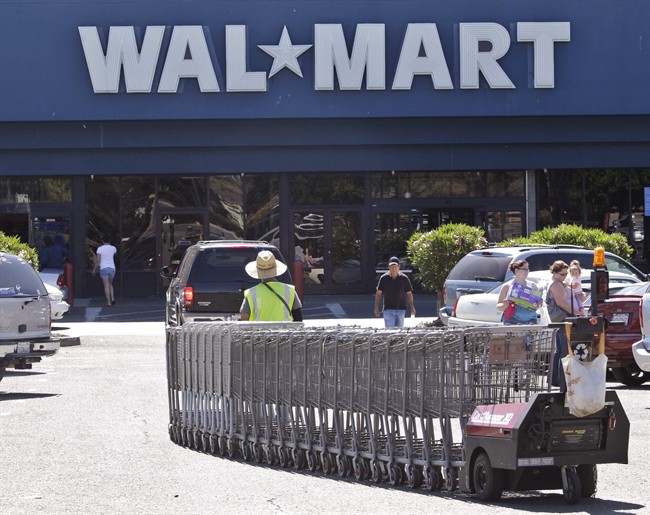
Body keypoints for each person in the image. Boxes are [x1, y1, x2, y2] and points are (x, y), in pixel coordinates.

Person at [547, 260, 582, 390]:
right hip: (561, 318)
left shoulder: (559, 282)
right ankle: (560, 379)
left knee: (560, 350)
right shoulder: (556, 284)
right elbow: (561, 302)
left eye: (566, 274)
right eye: (562, 274)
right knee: (564, 351)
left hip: (559, 319)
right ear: (555, 273)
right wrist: (577, 313)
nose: (565, 276)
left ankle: (555, 379)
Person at [240, 250, 303, 321]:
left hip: (259, 331)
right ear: (275, 269)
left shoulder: (251, 293)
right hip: (285, 331)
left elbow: (244, 318)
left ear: (257, 271)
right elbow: (298, 318)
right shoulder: (289, 290)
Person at [374, 256, 416, 328]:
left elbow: (409, 293)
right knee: (390, 331)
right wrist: (376, 307)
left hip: (401, 309)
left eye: (395, 267)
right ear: (389, 267)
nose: (393, 269)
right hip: (388, 309)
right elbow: (378, 293)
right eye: (391, 267)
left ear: (399, 267)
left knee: (399, 332)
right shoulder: (384, 278)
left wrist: (412, 306)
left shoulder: (404, 278)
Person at [496, 260, 539, 325]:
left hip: (530, 320)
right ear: (516, 270)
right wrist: (504, 305)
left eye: (528, 269)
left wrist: (539, 302)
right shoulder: (507, 286)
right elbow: (498, 306)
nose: (527, 272)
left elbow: (536, 304)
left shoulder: (533, 286)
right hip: (512, 320)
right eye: (524, 269)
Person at [93, 238, 117, 307]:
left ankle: (108, 302)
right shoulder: (113, 248)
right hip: (112, 268)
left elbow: (98, 260)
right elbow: (115, 254)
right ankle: (112, 298)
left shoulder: (100, 249)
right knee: (110, 284)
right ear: (109, 241)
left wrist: (94, 269)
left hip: (104, 268)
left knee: (106, 285)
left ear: (102, 241)